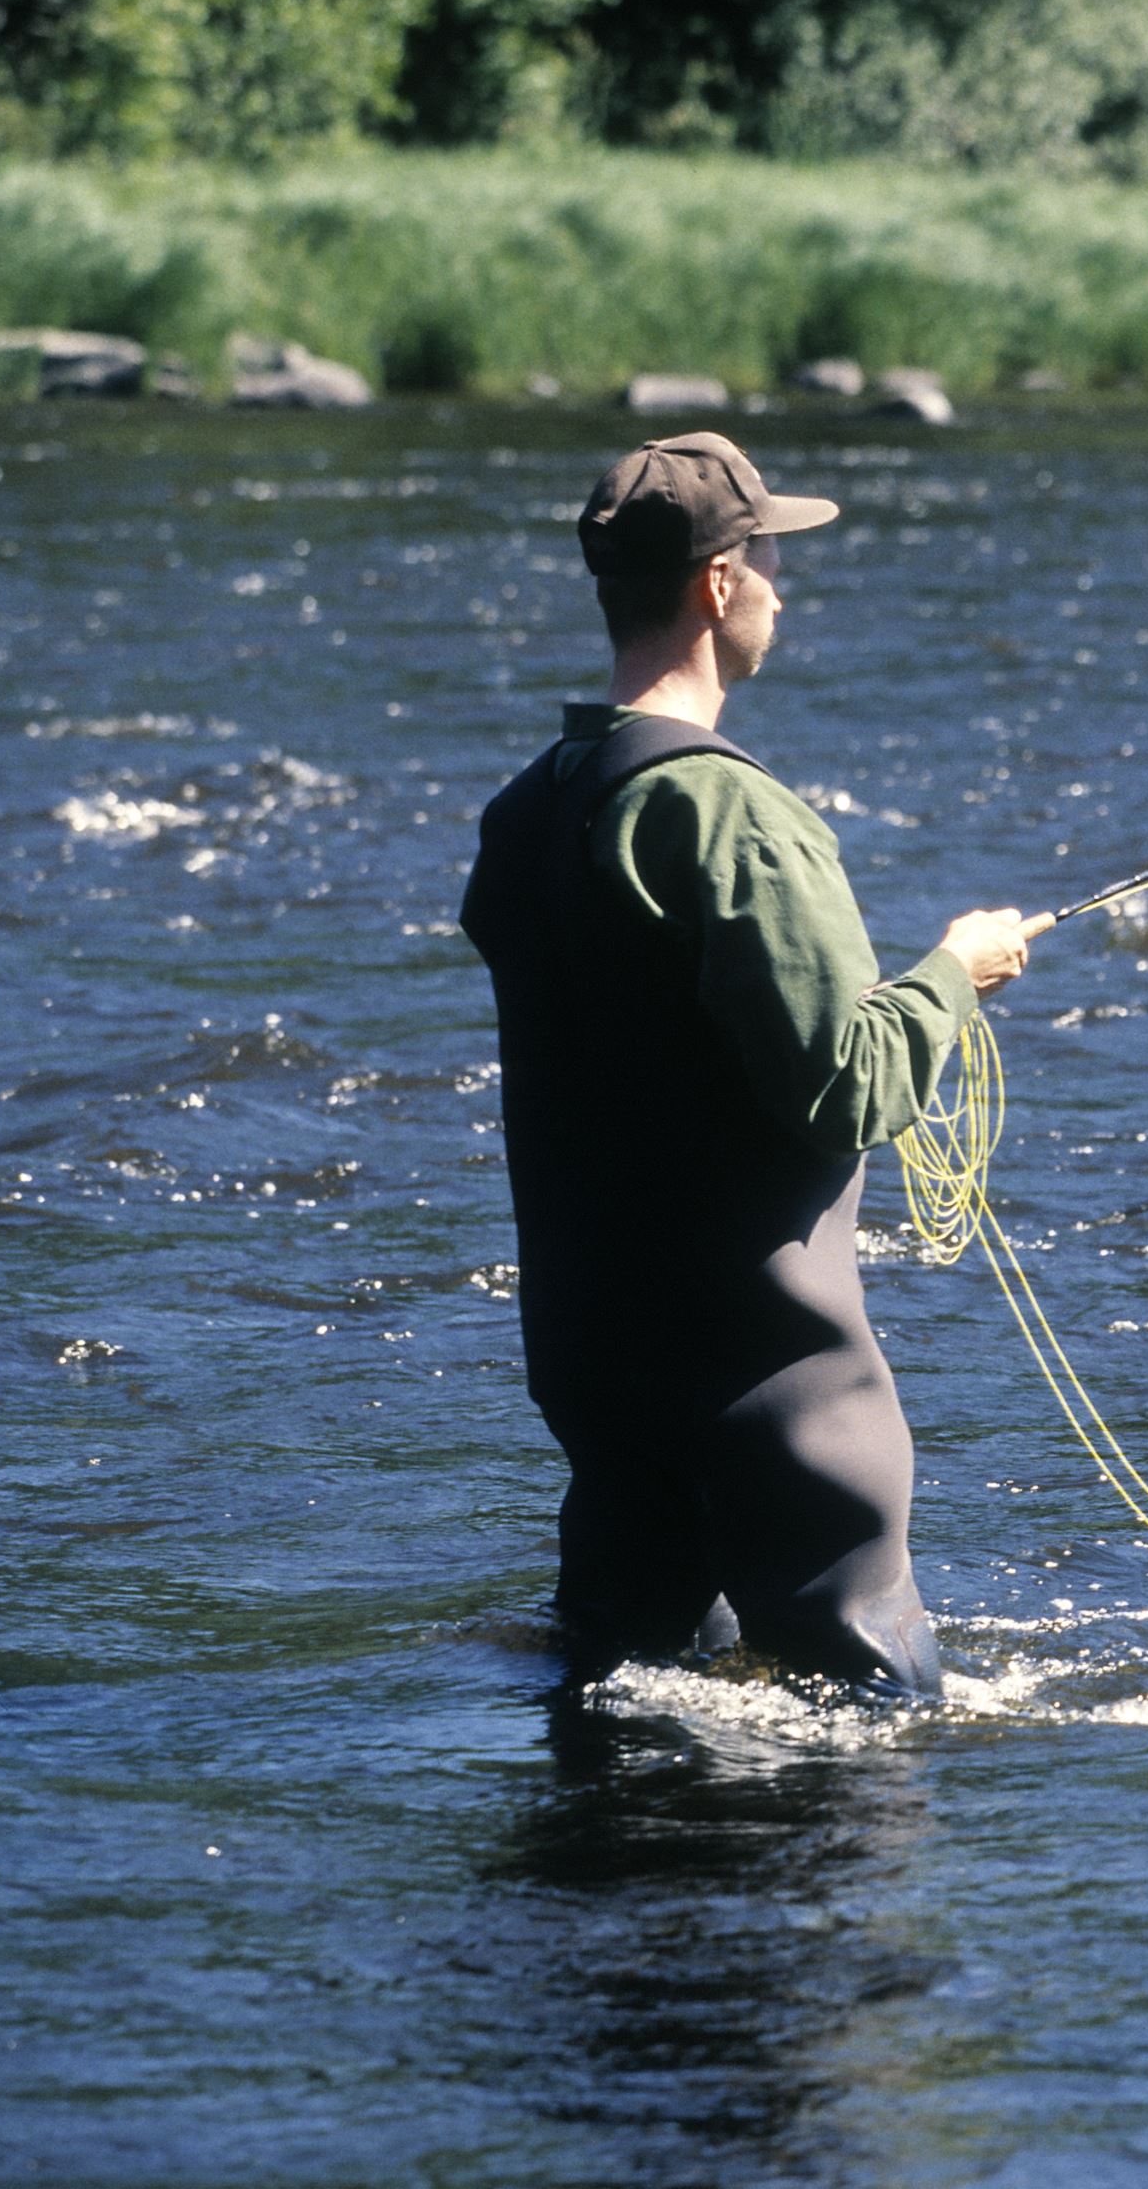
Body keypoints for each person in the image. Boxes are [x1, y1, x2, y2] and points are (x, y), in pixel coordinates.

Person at [459, 430, 1035, 1695]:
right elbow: (848, 1086)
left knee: (619, 1755)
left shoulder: (525, 815)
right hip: (781, 1404)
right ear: (718, 586)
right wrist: (956, 971)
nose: (784, 576)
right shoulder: (733, 813)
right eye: (769, 551)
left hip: (601, 1389)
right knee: (869, 1740)